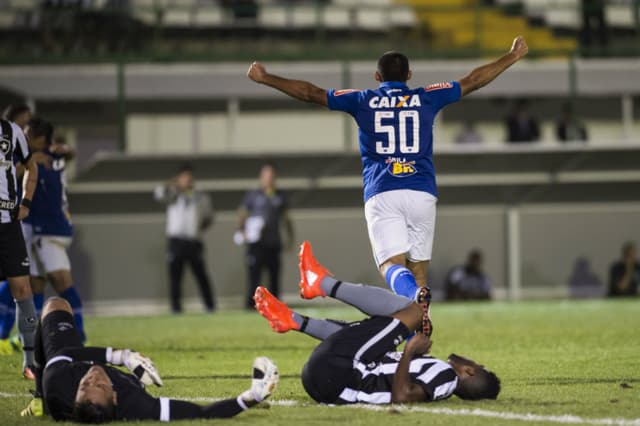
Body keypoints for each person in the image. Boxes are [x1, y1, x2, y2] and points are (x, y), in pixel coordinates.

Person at [247, 36, 529, 324]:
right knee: (418, 271)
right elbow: (474, 80)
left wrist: (266, 78)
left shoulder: (363, 99)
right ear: (409, 76)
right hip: (422, 193)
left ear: (377, 77)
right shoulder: (428, 95)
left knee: (391, 266)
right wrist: (512, 56)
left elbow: (310, 92)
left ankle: (414, 308)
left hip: (383, 192)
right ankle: (419, 333)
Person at [253, 241, 500, 404]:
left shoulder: (447, 378)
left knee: (413, 312)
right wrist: (405, 350)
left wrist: (409, 351)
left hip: (340, 376)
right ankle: (293, 320)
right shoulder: (436, 371)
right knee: (376, 332)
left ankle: (322, 284)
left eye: (476, 364)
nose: (470, 360)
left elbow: (402, 396)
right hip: (325, 381)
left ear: (470, 370)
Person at [20, 296, 278, 422]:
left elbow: (69, 354)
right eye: (99, 386)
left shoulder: (62, 382)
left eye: (85, 387)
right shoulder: (138, 405)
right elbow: (201, 413)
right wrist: (250, 398)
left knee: (54, 304)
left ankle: (38, 397)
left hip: (62, 365)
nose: (92, 378)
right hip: (120, 384)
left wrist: (121, 356)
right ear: (115, 396)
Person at [0, 119, 87, 347]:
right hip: (47, 230)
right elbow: (66, 154)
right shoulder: (51, 156)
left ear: (39, 139)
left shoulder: (43, 158)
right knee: (35, 283)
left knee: (61, 281)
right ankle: (33, 337)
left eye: (29, 135)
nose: (25, 139)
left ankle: (79, 334)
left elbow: (24, 172)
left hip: (47, 230)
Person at [0, 116, 39, 378]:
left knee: (23, 291)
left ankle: (30, 362)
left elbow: (31, 167)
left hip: (8, 226)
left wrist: (26, 203)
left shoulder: (11, 130)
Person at [154, 164, 216, 313]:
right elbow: (158, 193)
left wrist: (199, 229)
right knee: (175, 277)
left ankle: (210, 306)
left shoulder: (199, 196)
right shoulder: (173, 194)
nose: (187, 180)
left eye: (189, 177)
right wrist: (173, 182)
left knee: (201, 275)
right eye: (183, 177)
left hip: (193, 241)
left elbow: (209, 216)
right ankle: (176, 308)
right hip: (176, 241)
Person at [237, 163, 294, 309]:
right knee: (254, 278)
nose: (269, 179)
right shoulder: (253, 195)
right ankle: (251, 306)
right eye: (266, 176)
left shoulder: (280, 196)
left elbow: (286, 219)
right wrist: (242, 230)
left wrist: (290, 238)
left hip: (273, 243)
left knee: (274, 278)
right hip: (256, 245)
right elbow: (242, 214)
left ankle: (275, 308)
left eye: (271, 176)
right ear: (261, 177)